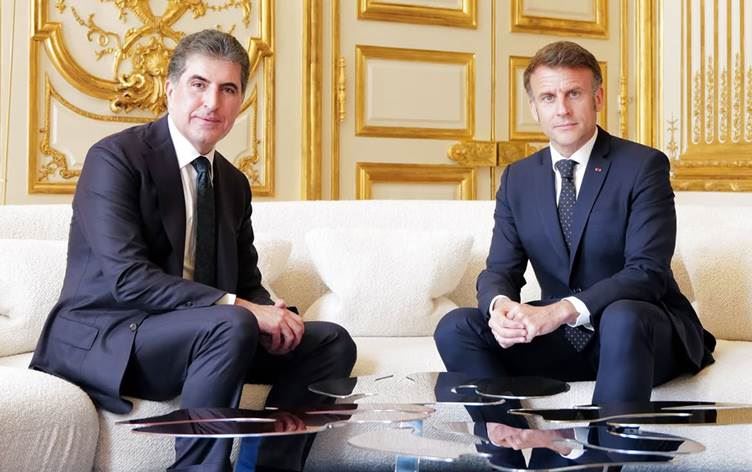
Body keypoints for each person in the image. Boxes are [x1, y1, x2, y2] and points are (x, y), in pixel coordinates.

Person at [30, 29, 356, 472]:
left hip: (204, 334)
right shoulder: (115, 159)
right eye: (198, 84)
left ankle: (268, 468)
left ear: (240, 102)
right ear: (170, 89)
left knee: (329, 341)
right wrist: (246, 310)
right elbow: (128, 279)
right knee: (233, 322)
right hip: (112, 333)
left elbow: (245, 282)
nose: (212, 102)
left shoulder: (233, 183)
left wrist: (270, 312)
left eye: (228, 89)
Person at [434, 41, 715, 406]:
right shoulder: (518, 178)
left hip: (640, 332)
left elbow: (647, 273)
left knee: (622, 316)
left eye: (574, 94)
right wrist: (500, 307)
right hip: (563, 338)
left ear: (597, 98)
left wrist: (561, 310)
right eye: (548, 97)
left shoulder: (642, 166)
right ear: (534, 108)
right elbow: (500, 269)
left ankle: (604, 444)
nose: (562, 109)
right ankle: (512, 437)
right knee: (456, 327)